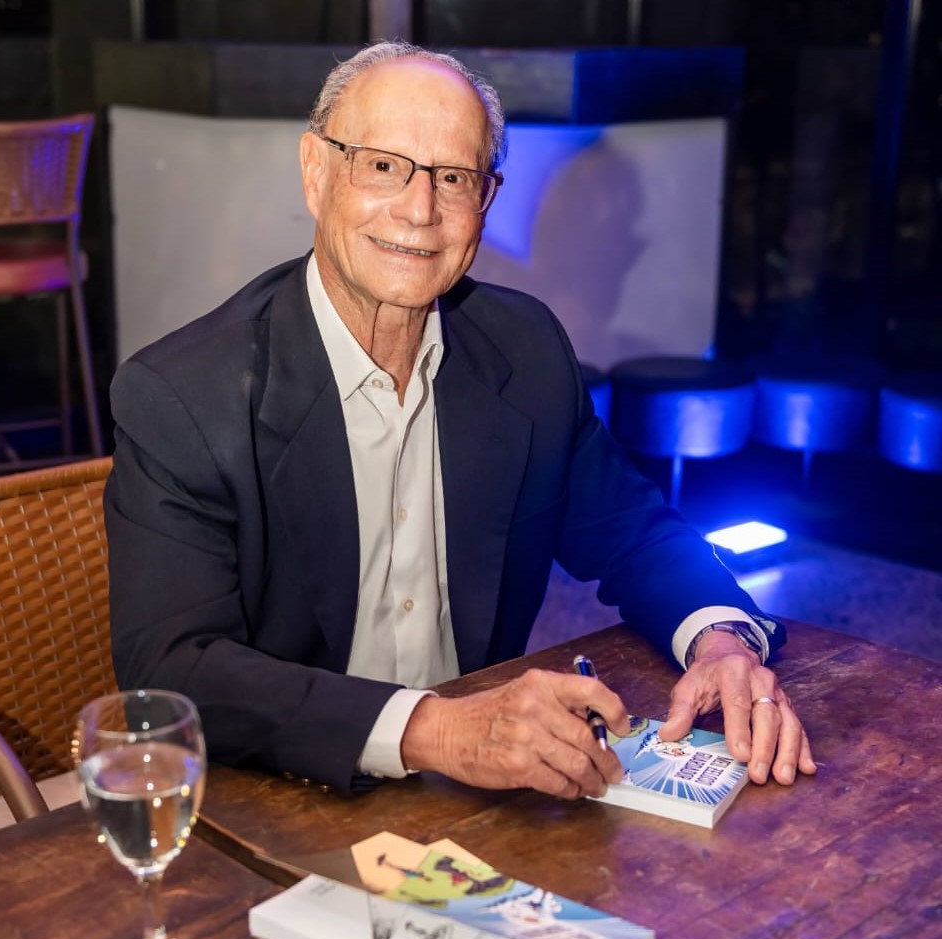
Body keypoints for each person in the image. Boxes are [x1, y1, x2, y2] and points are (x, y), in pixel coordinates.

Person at [104, 41, 816, 802]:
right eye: (383, 165)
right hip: (283, 788)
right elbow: (174, 670)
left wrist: (720, 639)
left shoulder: (527, 351)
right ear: (316, 172)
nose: (420, 210)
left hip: (481, 796)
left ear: (486, 199)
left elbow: (636, 534)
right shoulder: (184, 394)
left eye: (453, 177)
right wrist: (436, 730)